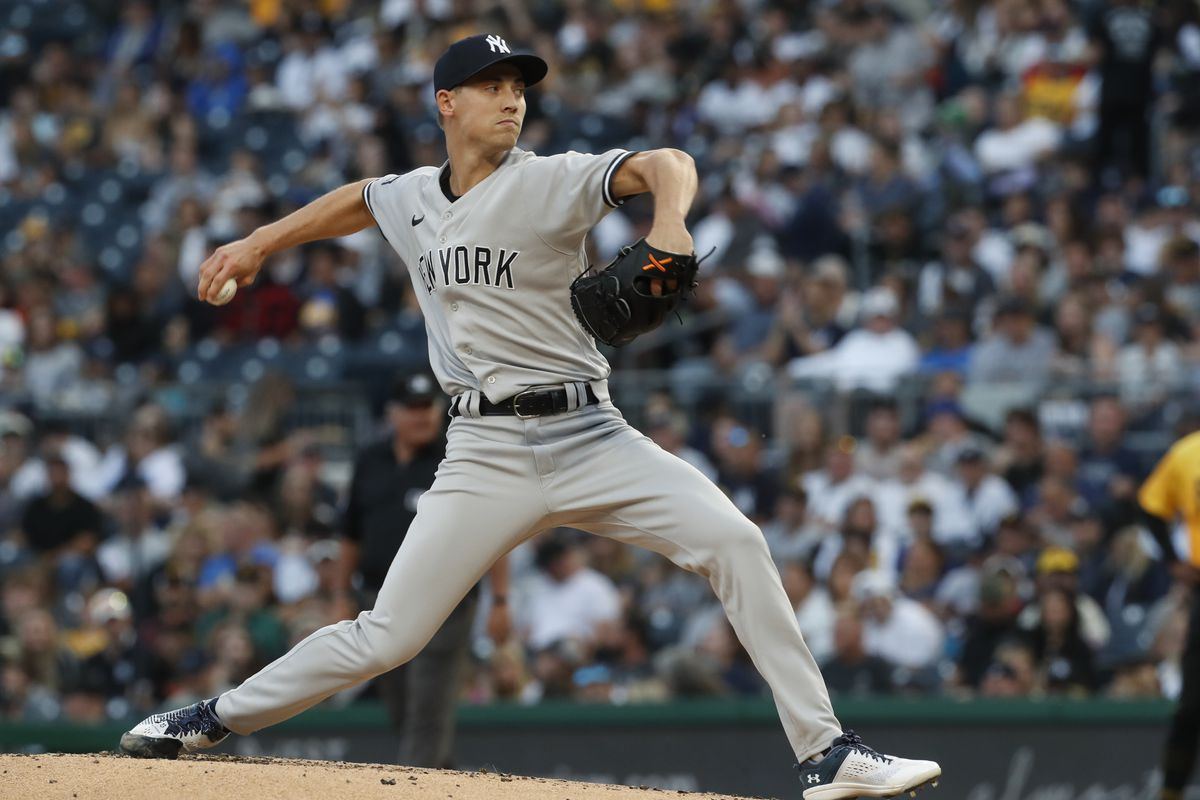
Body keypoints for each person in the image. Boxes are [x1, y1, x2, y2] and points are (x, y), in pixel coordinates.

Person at [119, 33, 940, 798]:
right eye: (491, 86)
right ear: (446, 102)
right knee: (388, 636)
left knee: (735, 541)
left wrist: (671, 219)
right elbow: (360, 203)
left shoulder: (549, 178)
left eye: (519, 88)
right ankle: (210, 720)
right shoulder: (412, 198)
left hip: (592, 434)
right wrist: (261, 241)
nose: (512, 101)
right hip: (484, 450)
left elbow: (667, 161)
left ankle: (826, 754)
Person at [341, 372, 510, 768]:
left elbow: (495, 527)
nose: (422, 417)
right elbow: (350, 533)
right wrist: (338, 594)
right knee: (401, 708)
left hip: (444, 601)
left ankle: (413, 787)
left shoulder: (456, 455)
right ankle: (440, 782)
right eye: (413, 409)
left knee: (427, 707)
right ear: (392, 414)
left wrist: (501, 599)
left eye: (428, 408)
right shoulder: (370, 458)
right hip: (378, 598)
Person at [1136, 431, 1200, 800]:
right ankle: (1170, 792)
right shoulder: (1188, 453)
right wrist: (1174, 561)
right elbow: (1150, 507)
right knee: (1191, 706)